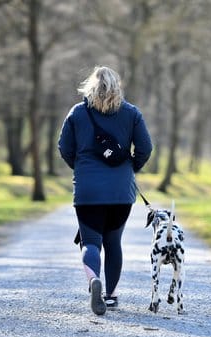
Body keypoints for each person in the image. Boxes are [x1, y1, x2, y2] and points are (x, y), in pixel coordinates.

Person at [58, 66, 153, 315]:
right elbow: (145, 148)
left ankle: (93, 281)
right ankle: (110, 296)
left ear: (90, 86)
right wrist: (130, 167)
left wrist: (80, 167)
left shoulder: (78, 113)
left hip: (88, 191)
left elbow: (64, 147)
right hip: (121, 191)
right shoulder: (132, 113)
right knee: (113, 242)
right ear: (117, 87)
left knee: (90, 242)